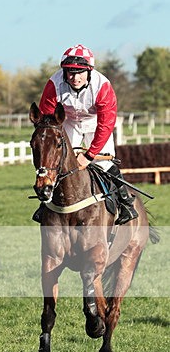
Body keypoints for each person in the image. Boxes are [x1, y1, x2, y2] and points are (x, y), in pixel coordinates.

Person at [34, 44, 138, 224]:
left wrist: (89, 156)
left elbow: (106, 124)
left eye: (80, 72)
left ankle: (125, 203)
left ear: (89, 71)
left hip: (95, 123)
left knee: (104, 164)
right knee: (59, 161)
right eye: (70, 72)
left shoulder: (102, 86)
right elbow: (47, 120)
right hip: (68, 122)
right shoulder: (53, 84)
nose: (75, 78)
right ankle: (45, 205)